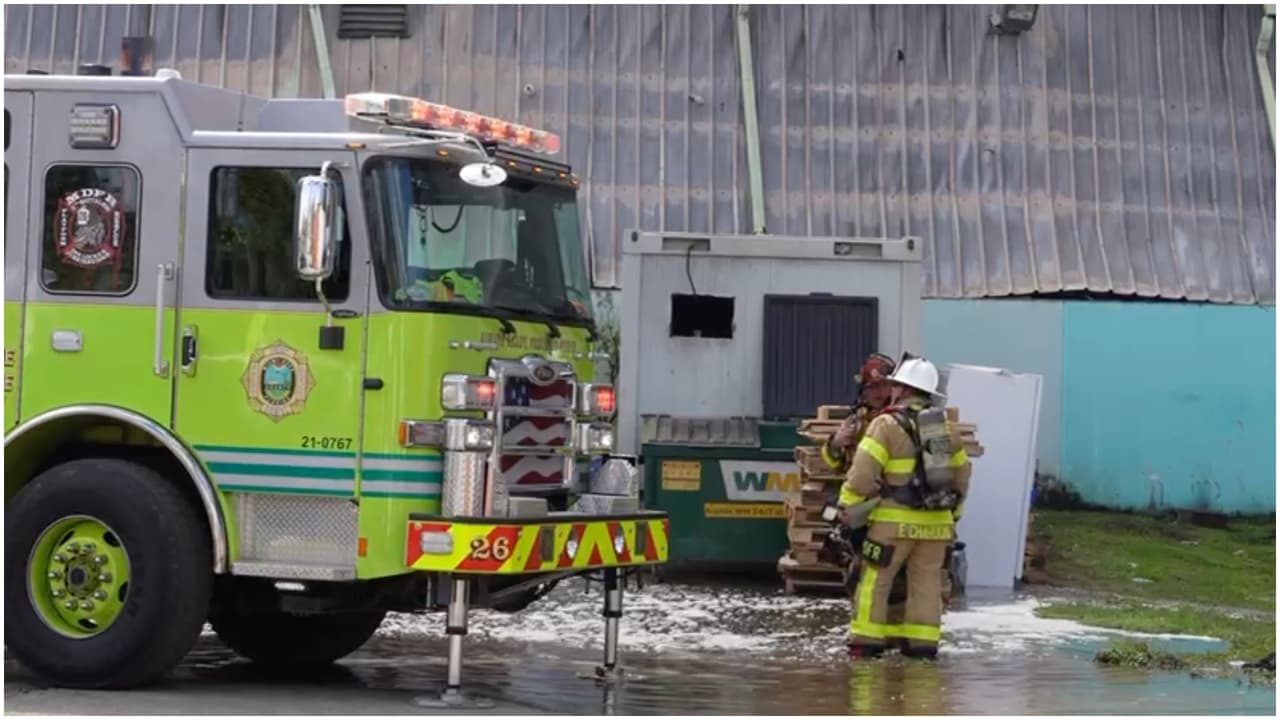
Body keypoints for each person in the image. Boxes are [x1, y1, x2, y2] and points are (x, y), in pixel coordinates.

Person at [842, 356, 972, 660]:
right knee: (926, 584)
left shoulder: (885, 425)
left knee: (875, 580)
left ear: (901, 388)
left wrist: (847, 508)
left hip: (891, 524)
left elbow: (862, 475)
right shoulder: (945, 429)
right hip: (937, 526)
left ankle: (866, 642)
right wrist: (954, 515)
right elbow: (963, 476)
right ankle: (922, 646)